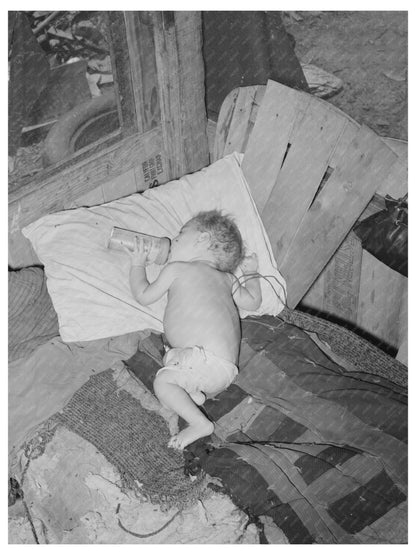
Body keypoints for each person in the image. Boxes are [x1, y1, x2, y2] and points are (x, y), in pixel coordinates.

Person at [125, 210, 262, 449]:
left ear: (203, 240)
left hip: (201, 359)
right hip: (224, 371)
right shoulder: (228, 279)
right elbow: (253, 302)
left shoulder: (177, 269)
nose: (173, 240)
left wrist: (137, 264)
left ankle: (200, 424)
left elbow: (144, 295)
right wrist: (251, 274)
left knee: (163, 384)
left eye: (180, 235)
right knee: (174, 382)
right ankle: (192, 395)